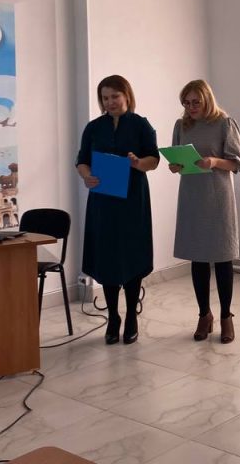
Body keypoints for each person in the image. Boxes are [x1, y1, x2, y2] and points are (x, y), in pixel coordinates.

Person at [76, 75, 159, 345]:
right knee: (108, 257)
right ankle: (113, 317)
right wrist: (87, 176)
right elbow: (82, 161)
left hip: (133, 200)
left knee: (132, 255)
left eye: (115, 96)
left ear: (126, 96)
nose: (110, 102)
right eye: (105, 98)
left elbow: (154, 160)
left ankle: (131, 316)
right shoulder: (93, 127)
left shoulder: (141, 124)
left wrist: (137, 163)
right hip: (103, 201)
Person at [169, 79, 240, 344]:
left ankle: (226, 316)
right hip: (191, 197)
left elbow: (238, 163)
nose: (191, 107)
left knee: (223, 258)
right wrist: (175, 166)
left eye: (195, 102)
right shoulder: (181, 125)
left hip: (218, 198)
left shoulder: (224, 123)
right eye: (186, 103)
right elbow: (177, 159)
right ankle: (204, 314)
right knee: (198, 258)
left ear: (207, 100)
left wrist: (213, 161)